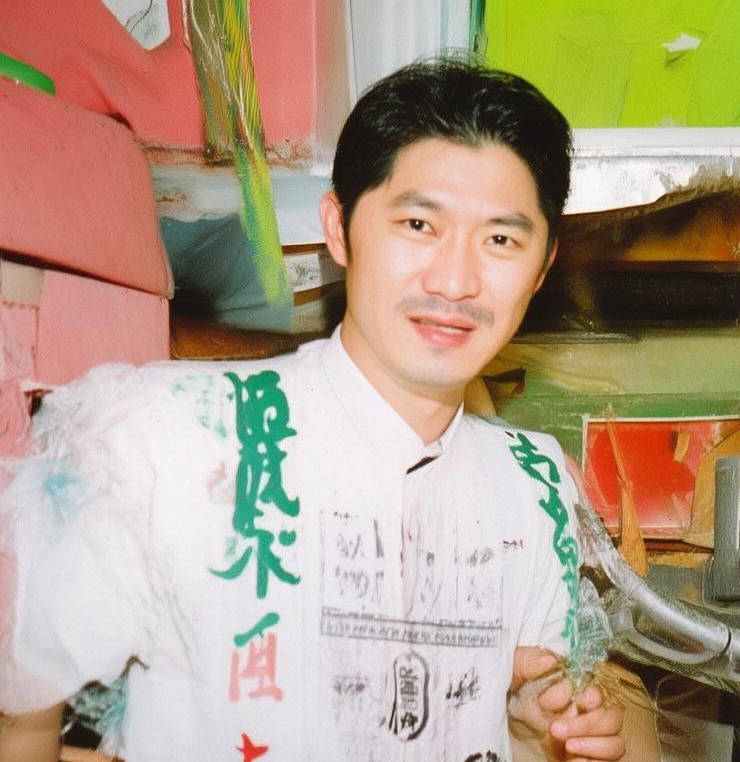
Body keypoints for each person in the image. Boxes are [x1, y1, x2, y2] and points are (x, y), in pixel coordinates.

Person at [0, 58, 626, 762]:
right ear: (339, 228)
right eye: (418, 223)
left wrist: (531, 734)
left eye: (501, 240)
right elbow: (20, 721)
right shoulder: (163, 436)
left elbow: (514, 722)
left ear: (542, 269)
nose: (455, 280)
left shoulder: (535, 485)